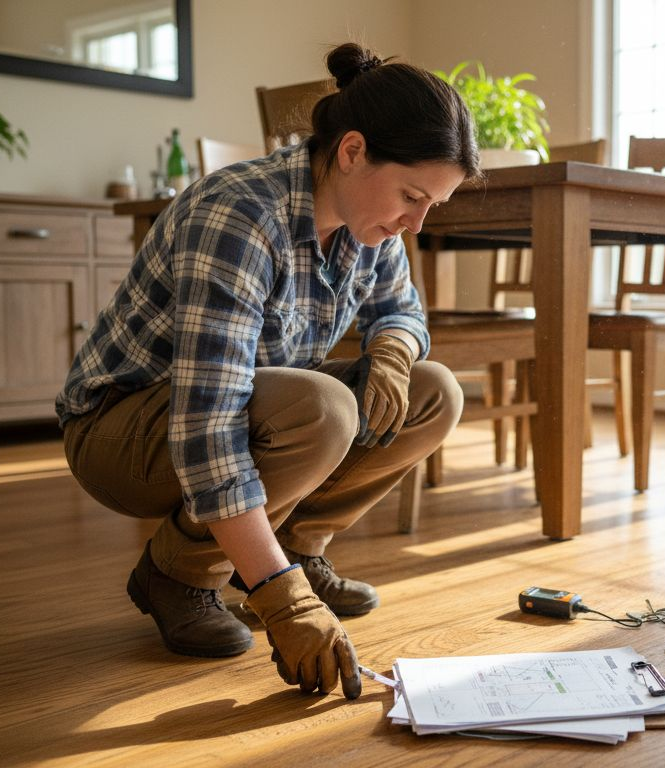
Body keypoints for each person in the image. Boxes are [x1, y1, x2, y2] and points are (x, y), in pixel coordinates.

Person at [55, 42, 480, 699]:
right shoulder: (240, 215)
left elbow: (401, 311)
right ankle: (178, 574)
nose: (415, 223)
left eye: (433, 207)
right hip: (121, 432)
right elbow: (208, 426)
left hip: (234, 410)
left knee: (434, 392)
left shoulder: (372, 225)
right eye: (411, 196)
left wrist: (394, 353)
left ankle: (297, 549)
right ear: (352, 151)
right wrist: (284, 601)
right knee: (323, 409)